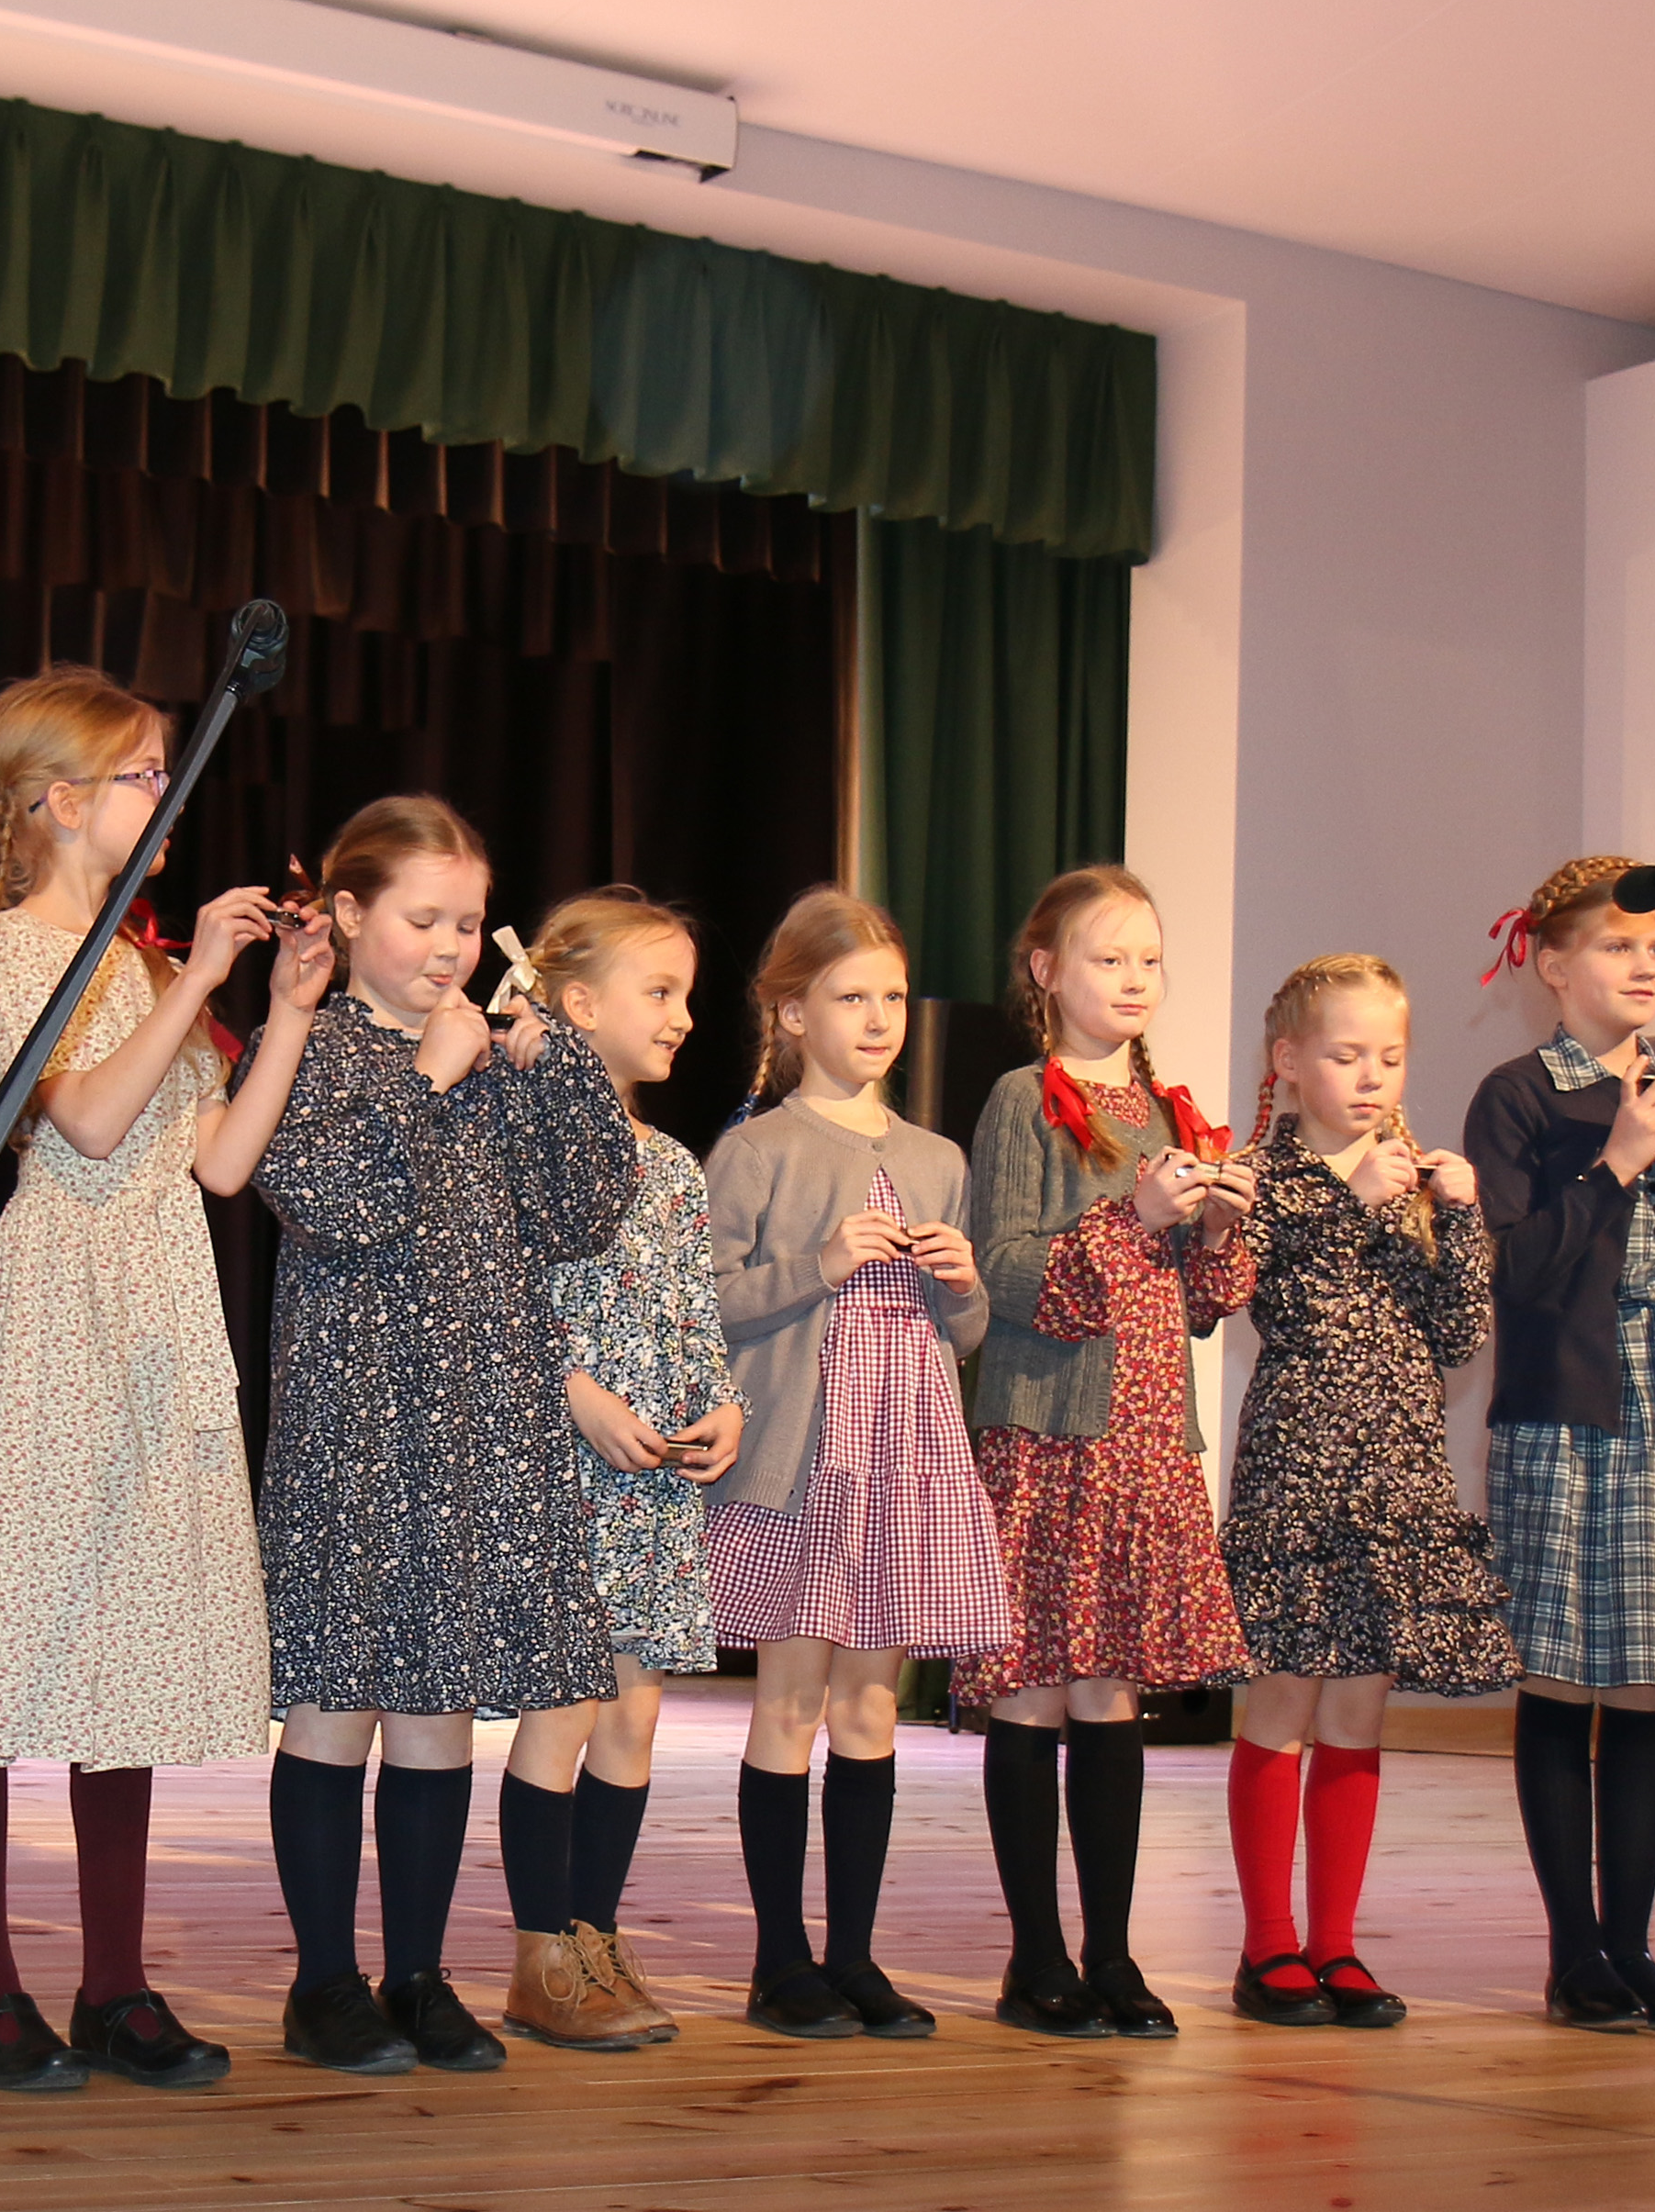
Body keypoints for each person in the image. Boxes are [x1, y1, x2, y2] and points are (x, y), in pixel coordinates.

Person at [0, 668, 328, 2093]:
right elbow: (86, 1121)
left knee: (128, 1641)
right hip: (54, 1315)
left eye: (163, 769)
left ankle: (113, 1980)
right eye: (142, 772)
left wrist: (281, 1010)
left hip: (159, 1306)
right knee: (2, 1642)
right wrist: (200, 975)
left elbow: (220, 1162)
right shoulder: (16, 944)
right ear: (55, 799)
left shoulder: (147, 967)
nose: (165, 794)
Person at [254, 797, 640, 2076]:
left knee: (435, 1714)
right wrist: (429, 1075)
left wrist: (556, 1072)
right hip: (358, 1423)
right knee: (338, 1706)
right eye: (422, 918)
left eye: (467, 923)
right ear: (348, 913)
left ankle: (416, 1976)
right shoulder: (316, 1047)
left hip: (484, 1422)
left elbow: (585, 1213)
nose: (449, 946)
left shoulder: (490, 1053)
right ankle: (323, 1981)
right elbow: (331, 1199)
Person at [697, 887, 1001, 2039]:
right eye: (848, 996)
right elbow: (706, 1307)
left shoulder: (934, 1157)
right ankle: (780, 1960)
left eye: (890, 997)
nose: (877, 1019)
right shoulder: (757, 1148)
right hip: (805, 1454)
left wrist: (960, 1285)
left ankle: (854, 1955)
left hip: (904, 1453)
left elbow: (962, 1337)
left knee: (870, 1704)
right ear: (790, 1013)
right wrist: (818, 1264)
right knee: (789, 1701)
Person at [960, 867, 1257, 2040]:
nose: (1134, 979)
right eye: (1107, 957)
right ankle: (1034, 1957)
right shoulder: (1022, 1100)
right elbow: (1003, 1269)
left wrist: (1217, 1229)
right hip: (1048, 1432)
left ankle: (1114, 1955)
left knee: (1112, 1695)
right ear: (1046, 971)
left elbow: (1202, 1306)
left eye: (1148, 959)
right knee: (1034, 1688)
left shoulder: (1172, 1112)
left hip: (1145, 1440)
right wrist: (1131, 1219)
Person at [1466, 855, 1655, 2033]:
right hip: (1563, 1403)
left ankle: (1632, 1943)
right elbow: (1514, 1269)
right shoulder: (1519, 1095)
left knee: (1646, 1679)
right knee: (1558, 1672)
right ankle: (1572, 1950)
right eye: (1617, 946)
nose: (1645, 966)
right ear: (1553, 964)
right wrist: (1619, 1160)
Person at [1216, 954, 1511, 2033]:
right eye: (1346, 1055)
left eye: (1389, 1055)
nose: (1372, 1075)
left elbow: (1458, 1335)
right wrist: (1349, 1202)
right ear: (1289, 1062)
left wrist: (1461, 1217)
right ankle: (1267, 1944)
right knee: (1284, 1696)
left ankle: (1334, 1941)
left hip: (1398, 1472)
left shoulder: (1412, 1181)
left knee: (1357, 1706)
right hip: (1300, 1466)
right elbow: (1254, 1294)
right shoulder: (1264, 1177)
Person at [509, 888, 742, 2050]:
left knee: (633, 1715)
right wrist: (574, 1390)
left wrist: (723, 1404)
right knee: (563, 1709)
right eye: (659, 991)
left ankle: (593, 1936)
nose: (682, 1016)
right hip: (562, 1464)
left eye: (686, 994)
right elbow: (497, 1301)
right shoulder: (518, 1139)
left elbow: (694, 1311)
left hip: (650, 1481)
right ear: (578, 1003)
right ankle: (538, 1955)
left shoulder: (674, 1165)